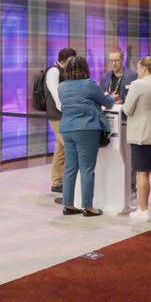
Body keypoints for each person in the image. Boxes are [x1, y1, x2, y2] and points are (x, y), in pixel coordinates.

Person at [58, 55, 114, 216]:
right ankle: (88, 207)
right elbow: (107, 102)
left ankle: (68, 205)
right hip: (86, 129)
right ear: (85, 68)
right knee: (87, 169)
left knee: (70, 169)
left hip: (67, 129)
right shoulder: (89, 84)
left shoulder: (62, 86)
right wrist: (111, 97)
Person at [121, 56, 151, 222]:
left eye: (138, 68)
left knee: (142, 172)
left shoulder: (138, 84)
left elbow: (127, 109)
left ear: (144, 68)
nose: (137, 71)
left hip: (142, 134)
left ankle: (143, 210)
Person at [102, 49, 138, 192]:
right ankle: (115, 185)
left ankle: (131, 186)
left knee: (129, 154)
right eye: (111, 61)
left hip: (128, 120)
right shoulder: (105, 77)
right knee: (113, 153)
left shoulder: (132, 76)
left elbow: (136, 97)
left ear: (123, 60)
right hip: (111, 120)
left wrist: (123, 101)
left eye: (116, 60)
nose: (114, 63)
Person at [44, 47, 75, 194]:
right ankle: (67, 181)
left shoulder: (64, 71)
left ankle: (57, 182)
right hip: (58, 115)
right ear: (63, 61)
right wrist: (67, 110)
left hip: (64, 114)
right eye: (71, 60)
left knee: (60, 148)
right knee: (69, 145)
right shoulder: (54, 71)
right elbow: (57, 96)